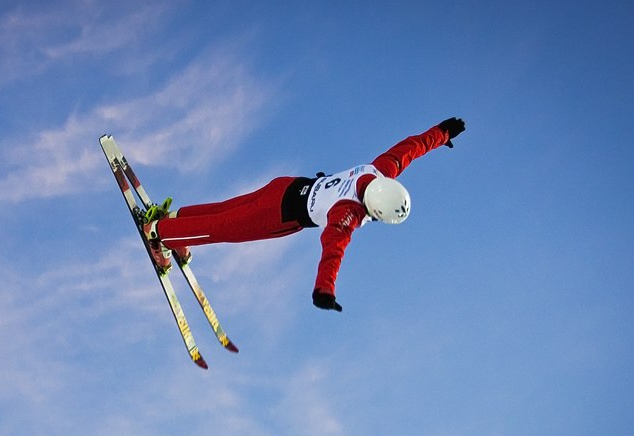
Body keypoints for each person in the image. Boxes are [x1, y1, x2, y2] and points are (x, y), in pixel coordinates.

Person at [142, 117, 466, 311]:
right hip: (282, 214)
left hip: (287, 185)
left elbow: (411, 147)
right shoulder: (347, 213)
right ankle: (162, 234)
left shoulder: (381, 170)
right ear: (375, 209)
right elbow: (333, 252)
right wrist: (324, 290)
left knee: (229, 207)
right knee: (226, 228)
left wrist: (443, 132)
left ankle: (177, 222)